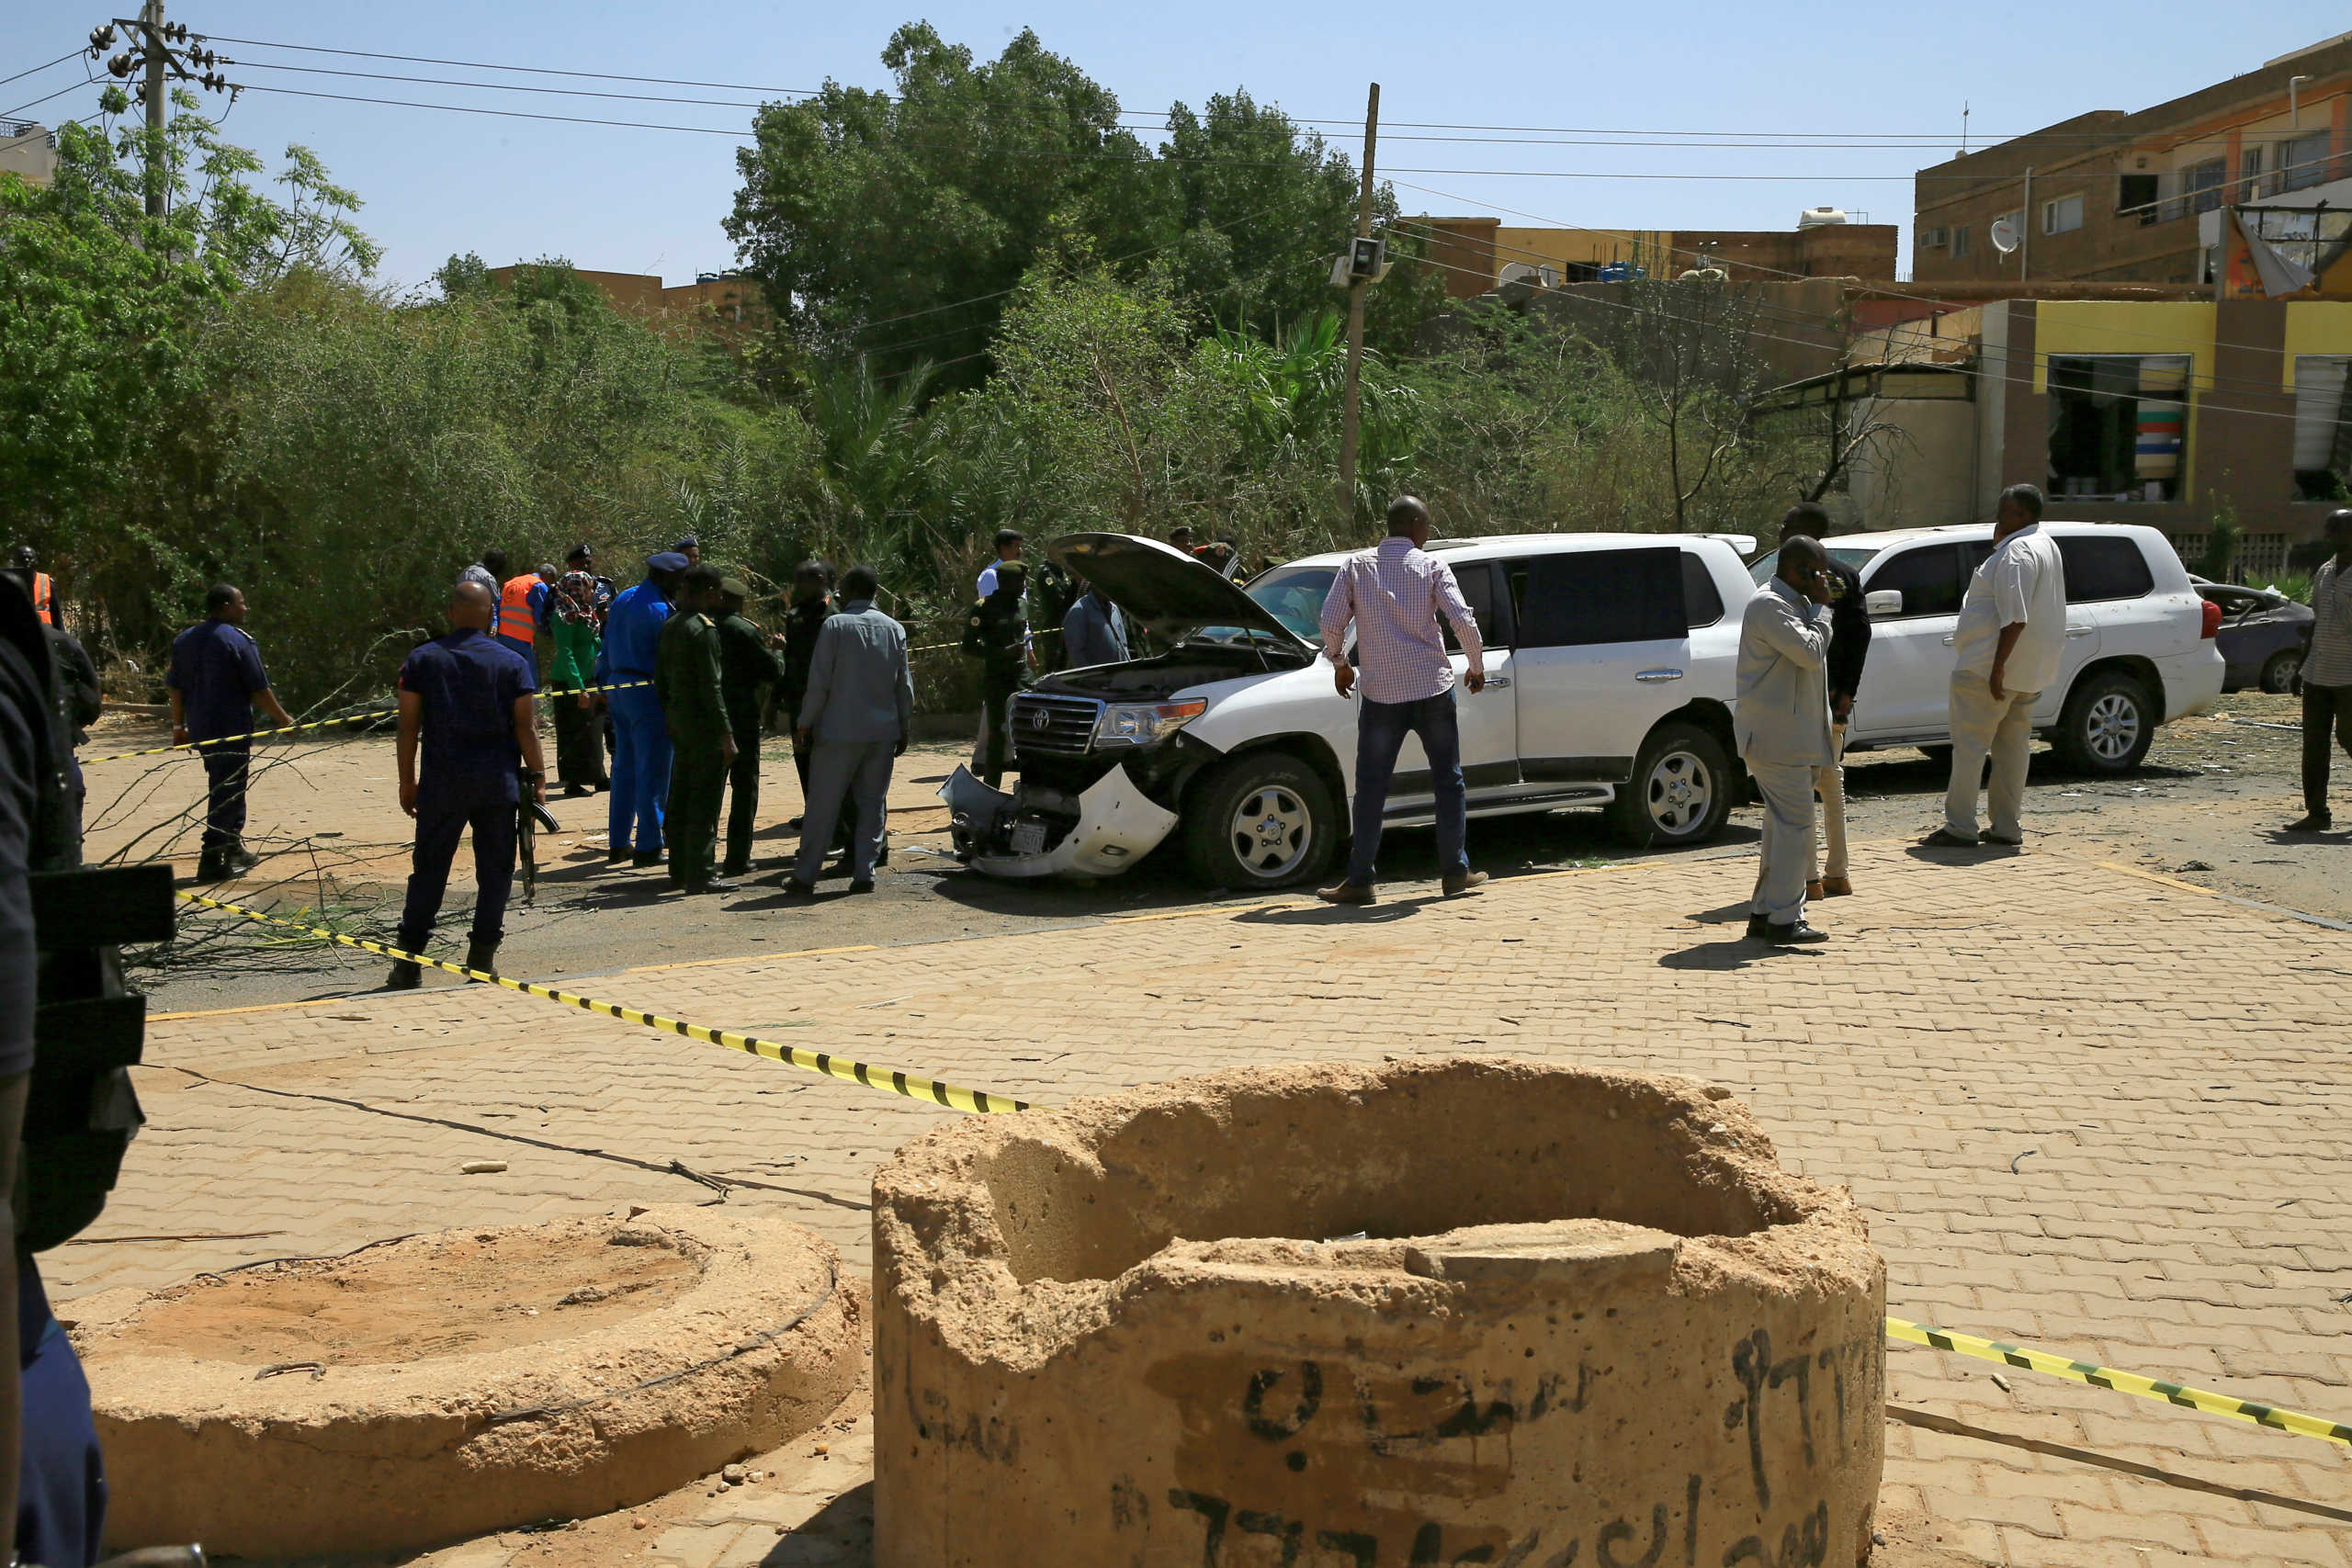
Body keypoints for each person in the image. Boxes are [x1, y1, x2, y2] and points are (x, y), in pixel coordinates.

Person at [1315, 495, 1488, 905]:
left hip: (1381, 695)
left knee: (1372, 786)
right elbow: (1462, 618)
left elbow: (1328, 620)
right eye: (1426, 526)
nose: (1428, 534)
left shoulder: (1357, 566)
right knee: (1448, 781)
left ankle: (1360, 880)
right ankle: (1454, 873)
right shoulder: (1430, 566)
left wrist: (1340, 661)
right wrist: (1476, 665)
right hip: (1432, 690)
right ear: (1413, 525)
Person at [386, 580, 545, 986]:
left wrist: (407, 781)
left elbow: (407, 729)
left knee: (429, 872)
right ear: (491, 616)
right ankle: (481, 959)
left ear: (452, 612)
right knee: (495, 873)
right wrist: (540, 779)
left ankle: (408, 964)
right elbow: (526, 728)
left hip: (443, 784)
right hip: (497, 784)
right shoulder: (512, 663)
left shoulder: (422, 660)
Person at [1923, 483, 2066, 849]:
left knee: (1970, 747)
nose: (1997, 517)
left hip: (1990, 668)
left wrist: (1997, 668)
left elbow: (2014, 618)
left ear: (2021, 515)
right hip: (2027, 671)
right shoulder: (2044, 544)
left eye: (2004, 511)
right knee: (2012, 749)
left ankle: (1960, 826)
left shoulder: (2018, 551)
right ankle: (2006, 826)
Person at [786, 564, 912, 897]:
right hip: (882, 732)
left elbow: (819, 683)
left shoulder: (835, 626)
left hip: (838, 733)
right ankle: (864, 872)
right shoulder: (893, 628)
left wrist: (804, 722)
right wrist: (904, 726)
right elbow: (904, 686)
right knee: (872, 804)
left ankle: (806, 875)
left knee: (823, 805)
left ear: (850, 591)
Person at [1736, 536, 1838, 945]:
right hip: (1778, 740)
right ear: (1799, 571)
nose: (1824, 580)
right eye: (1818, 572)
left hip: (1791, 738)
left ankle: (1765, 913)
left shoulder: (1795, 606)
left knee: (1782, 829)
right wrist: (1826, 608)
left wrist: (1819, 607)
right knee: (1796, 827)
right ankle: (1784, 918)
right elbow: (1809, 652)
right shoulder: (1769, 606)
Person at [165, 584, 295, 884]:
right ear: (226, 606)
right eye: (242, 602)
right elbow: (259, 690)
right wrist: (284, 720)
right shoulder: (237, 640)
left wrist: (178, 726)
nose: (245, 608)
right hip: (231, 729)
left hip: (201, 729)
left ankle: (232, 846)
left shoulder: (184, 640)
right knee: (226, 790)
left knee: (226, 785)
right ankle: (212, 858)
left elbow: (175, 686)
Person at [1777, 502, 1871, 899]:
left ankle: (1810, 878)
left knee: (1800, 785)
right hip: (1833, 697)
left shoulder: (1798, 578)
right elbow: (1861, 634)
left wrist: (1842, 691)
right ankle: (1838, 872)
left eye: (1789, 526)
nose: (1782, 530)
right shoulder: (1846, 575)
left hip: (1806, 696)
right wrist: (1848, 692)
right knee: (1831, 779)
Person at [596, 553, 687, 866]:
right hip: (647, 690)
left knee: (625, 769)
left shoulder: (624, 597)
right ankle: (649, 845)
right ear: (667, 578)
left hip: (617, 685)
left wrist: (603, 683)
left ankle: (618, 843)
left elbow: (605, 644)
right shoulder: (661, 610)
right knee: (654, 770)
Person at [655, 563, 738, 895]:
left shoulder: (671, 625)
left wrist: (673, 714)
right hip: (704, 727)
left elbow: (660, 680)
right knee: (704, 800)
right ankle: (701, 872)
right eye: (716, 592)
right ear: (706, 593)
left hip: (679, 723)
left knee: (681, 796)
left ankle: (678, 868)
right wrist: (726, 735)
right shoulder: (703, 630)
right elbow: (711, 688)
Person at [714, 575, 786, 879]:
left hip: (709, 718)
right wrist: (778, 651)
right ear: (739, 602)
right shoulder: (744, 630)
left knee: (708, 791)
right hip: (741, 718)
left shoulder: (701, 626)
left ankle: (698, 859)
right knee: (745, 789)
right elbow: (772, 671)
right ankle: (737, 857)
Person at [2287, 508, 2352, 832]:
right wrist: (2302, 664)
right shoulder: (2325, 571)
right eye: (2329, 528)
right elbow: (2316, 620)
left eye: (2336, 529)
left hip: (2349, 675)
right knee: (2314, 745)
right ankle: (2317, 812)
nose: (2329, 535)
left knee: (2348, 737)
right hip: (2319, 671)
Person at [545, 546, 609, 798]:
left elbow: (594, 644)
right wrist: (578, 687)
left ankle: (598, 777)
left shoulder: (587, 614)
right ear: (577, 589)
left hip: (589, 677)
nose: (592, 592)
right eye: (589, 588)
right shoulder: (563, 617)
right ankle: (572, 781)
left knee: (593, 730)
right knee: (573, 732)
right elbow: (566, 652)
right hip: (569, 681)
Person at [969, 563, 1032, 790]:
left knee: (1029, 734)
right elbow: (968, 646)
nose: (1023, 586)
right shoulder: (984, 608)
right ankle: (991, 791)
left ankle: (1030, 787)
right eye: (1019, 582)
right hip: (998, 677)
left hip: (1022, 677)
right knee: (997, 738)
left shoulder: (1022, 605)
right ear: (1004, 583)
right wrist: (1000, 653)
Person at [1060, 572, 1128, 668]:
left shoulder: (1114, 608)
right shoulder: (1078, 612)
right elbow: (1077, 655)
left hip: (1121, 678)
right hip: (1099, 681)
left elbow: (1123, 645)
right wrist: (1094, 681)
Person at [496, 562, 551, 665]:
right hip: (522, 640)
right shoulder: (539, 586)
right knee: (529, 676)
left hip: (502, 637)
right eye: (551, 581)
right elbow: (540, 617)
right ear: (548, 574)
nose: (550, 585)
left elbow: (497, 607)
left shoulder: (510, 583)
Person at [11, 546, 55, 630]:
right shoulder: (7, 583)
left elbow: (56, 615)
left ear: (35, 561)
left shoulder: (46, 582)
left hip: (44, 634)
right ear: (15, 561)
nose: (26, 560)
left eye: (30, 558)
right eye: (22, 558)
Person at [975, 528, 1023, 597]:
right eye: (1016, 546)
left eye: (1020, 547)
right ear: (1003, 548)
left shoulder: (1018, 575)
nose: (1020, 551)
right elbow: (989, 606)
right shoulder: (990, 575)